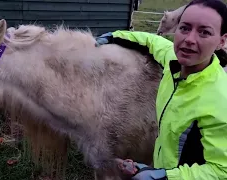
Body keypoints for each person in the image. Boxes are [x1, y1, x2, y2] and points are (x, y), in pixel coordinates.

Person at [95, 0, 227, 179]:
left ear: (222, 41)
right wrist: (113, 36)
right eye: (185, 28)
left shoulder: (220, 100)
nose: (189, 39)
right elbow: (153, 41)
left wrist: (163, 176)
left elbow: (221, 170)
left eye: (204, 32)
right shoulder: (173, 61)